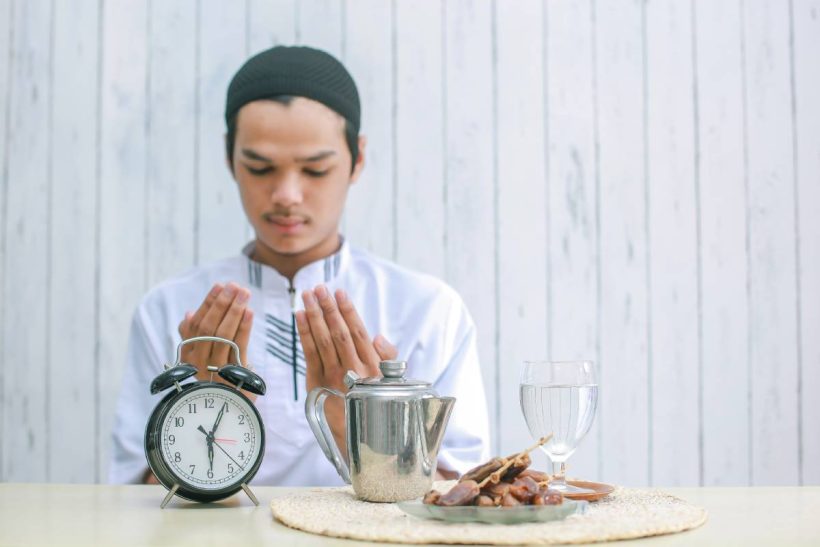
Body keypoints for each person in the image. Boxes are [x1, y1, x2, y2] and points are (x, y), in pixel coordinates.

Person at [109, 45, 490, 486]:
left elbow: (465, 496)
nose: (287, 194)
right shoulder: (170, 310)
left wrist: (361, 435)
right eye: (260, 167)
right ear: (229, 158)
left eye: (315, 170)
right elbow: (133, 503)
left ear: (357, 160)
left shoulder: (429, 311)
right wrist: (200, 410)